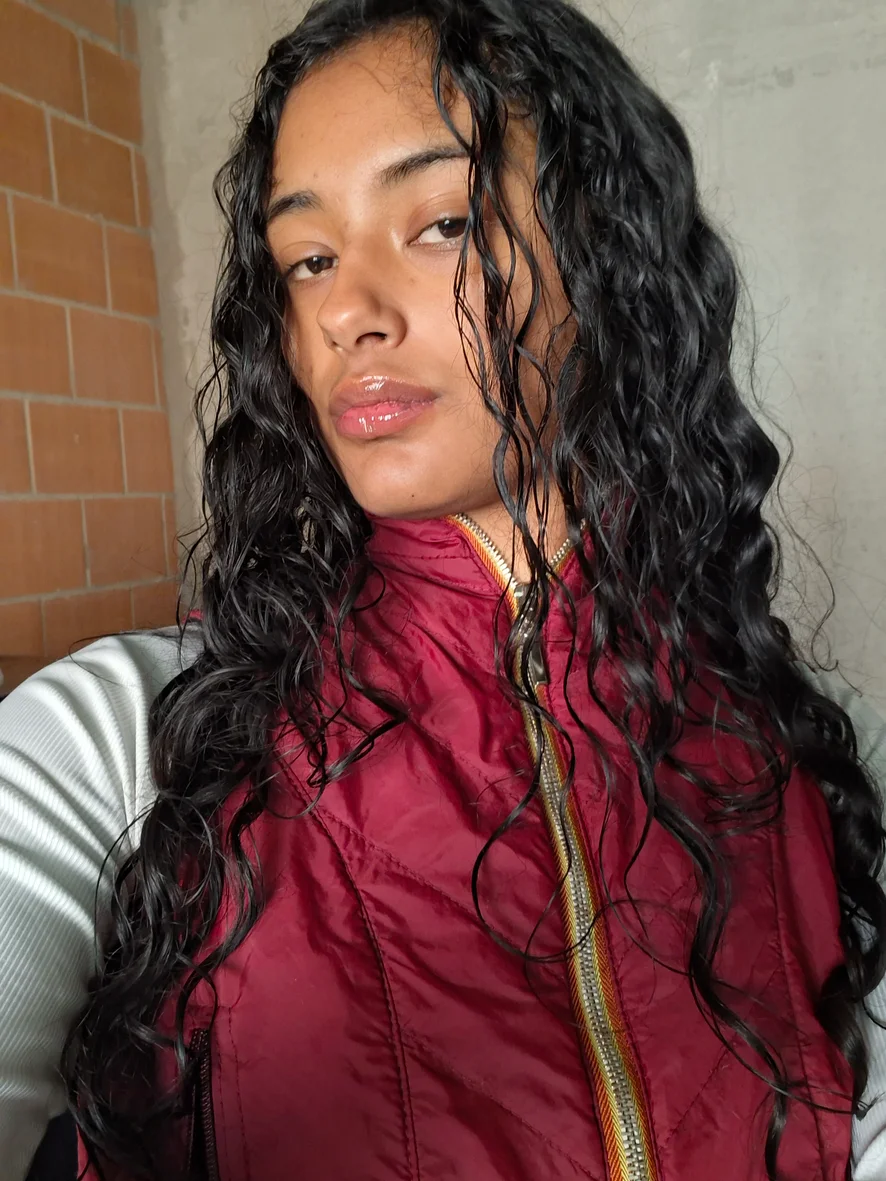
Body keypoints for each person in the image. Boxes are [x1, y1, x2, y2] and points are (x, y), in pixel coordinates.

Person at [1, 0, 885, 1178]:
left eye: (442, 223)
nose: (346, 312)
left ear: (609, 254)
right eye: (308, 258)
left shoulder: (804, 746)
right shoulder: (128, 740)